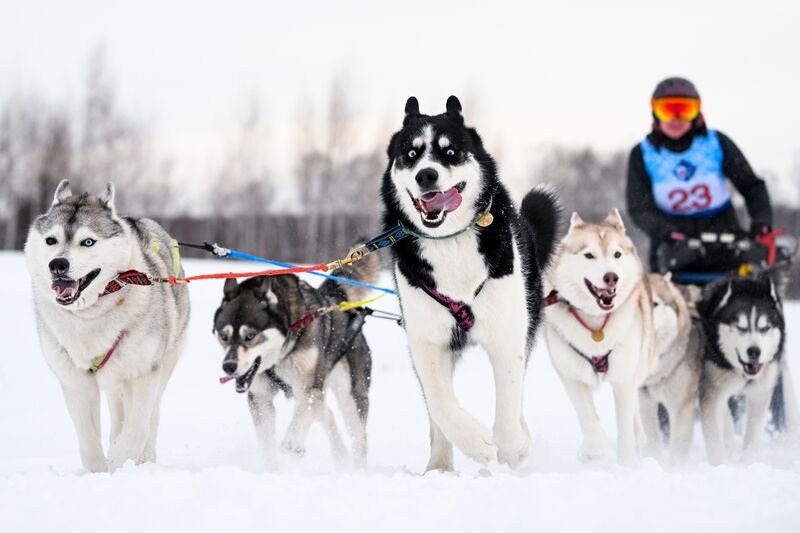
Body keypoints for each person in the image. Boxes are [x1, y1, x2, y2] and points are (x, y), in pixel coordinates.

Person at [626, 76, 773, 277]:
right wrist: (666, 233)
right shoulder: (643, 154)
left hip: (724, 243)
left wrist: (761, 223)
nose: (676, 119)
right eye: (667, 110)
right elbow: (639, 207)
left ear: (697, 111)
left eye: (685, 110)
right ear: (655, 112)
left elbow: (752, 187)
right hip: (672, 251)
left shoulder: (717, 144)